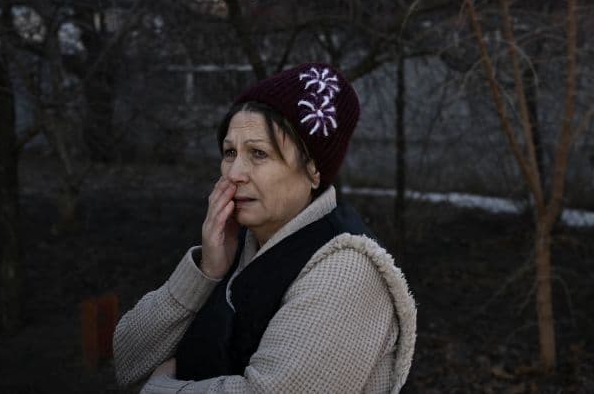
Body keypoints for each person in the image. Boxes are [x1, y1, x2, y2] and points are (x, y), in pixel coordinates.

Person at [114, 62, 416, 393]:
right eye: (230, 152)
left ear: (314, 169)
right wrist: (205, 272)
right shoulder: (238, 245)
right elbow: (127, 360)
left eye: (258, 153)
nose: (234, 173)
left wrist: (162, 389)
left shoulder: (345, 271)